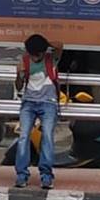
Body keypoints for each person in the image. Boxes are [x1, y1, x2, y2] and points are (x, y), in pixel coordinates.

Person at [12, 33, 63, 189]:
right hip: (29, 102)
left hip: (48, 103)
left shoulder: (51, 58)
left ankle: (46, 176)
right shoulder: (24, 61)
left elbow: (59, 44)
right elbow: (19, 86)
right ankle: (21, 175)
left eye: (38, 54)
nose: (35, 58)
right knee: (24, 136)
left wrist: (44, 43)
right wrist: (19, 74)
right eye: (32, 54)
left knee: (47, 136)